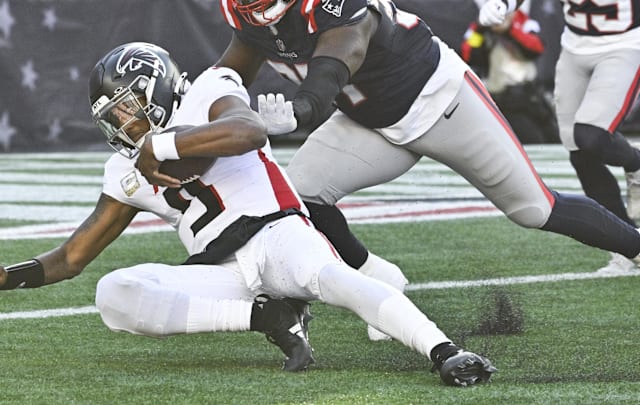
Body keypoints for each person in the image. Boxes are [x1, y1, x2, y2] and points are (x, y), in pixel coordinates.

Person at [0, 42, 496, 386]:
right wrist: (9, 278)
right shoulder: (121, 170)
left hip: (275, 233)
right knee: (114, 295)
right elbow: (74, 257)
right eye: (113, 114)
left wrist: (164, 148)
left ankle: (444, 350)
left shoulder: (208, 93)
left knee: (335, 279)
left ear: (157, 87)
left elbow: (249, 132)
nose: (122, 122)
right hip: (222, 272)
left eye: (126, 105)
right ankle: (268, 316)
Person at [210, 0, 640, 293]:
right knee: (298, 196)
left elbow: (331, 71)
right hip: (371, 123)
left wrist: (300, 113)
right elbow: (224, 77)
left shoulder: (338, 8)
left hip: (440, 101)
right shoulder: (247, 19)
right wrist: (179, 121)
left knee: (535, 209)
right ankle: (379, 280)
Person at [478, 0, 640, 272]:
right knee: (579, 152)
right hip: (574, 48)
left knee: (592, 135)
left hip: (624, 44)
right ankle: (628, 246)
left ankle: (635, 163)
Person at [461, 0, 559, 144]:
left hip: (529, 96)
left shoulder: (524, 22)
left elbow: (536, 48)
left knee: (554, 138)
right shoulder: (480, 27)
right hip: (502, 99)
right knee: (533, 140)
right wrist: (481, 30)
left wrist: (510, 30)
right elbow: (467, 54)